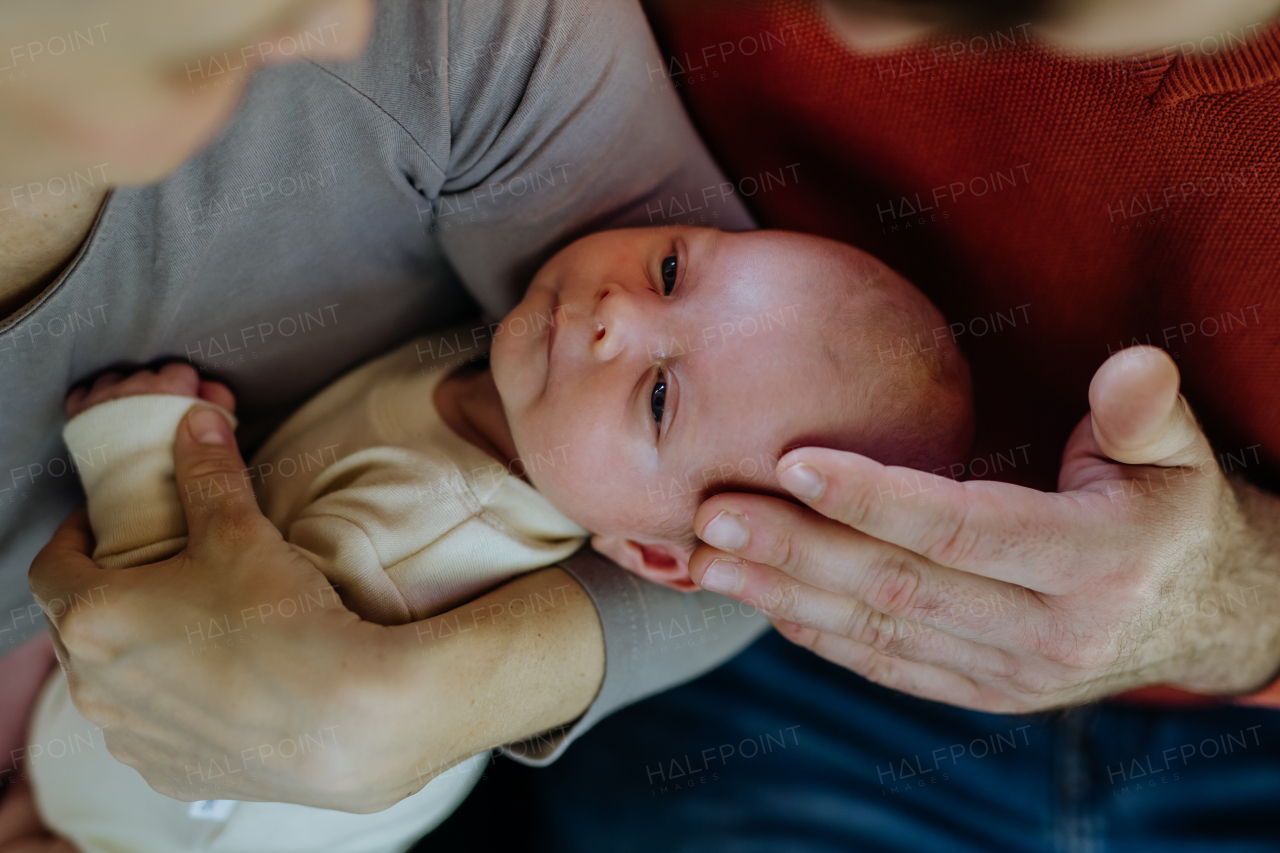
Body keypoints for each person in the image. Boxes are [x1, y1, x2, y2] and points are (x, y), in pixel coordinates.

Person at [475, 0, 1280, 848]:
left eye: (661, 398)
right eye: (670, 264)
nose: (859, 37)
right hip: (784, 661)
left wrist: (1234, 601)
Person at [1, 0, 777, 836]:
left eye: (659, 395)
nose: (341, 30)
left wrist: (457, 687)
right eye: (666, 270)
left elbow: (775, 550)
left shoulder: (471, 37)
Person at [12, 225, 970, 853]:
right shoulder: (514, 388)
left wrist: (134, 451)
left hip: (157, 792)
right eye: (671, 270)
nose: (617, 315)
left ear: (649, 557)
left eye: (661, 395)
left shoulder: (421, 540)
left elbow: (183, 642)